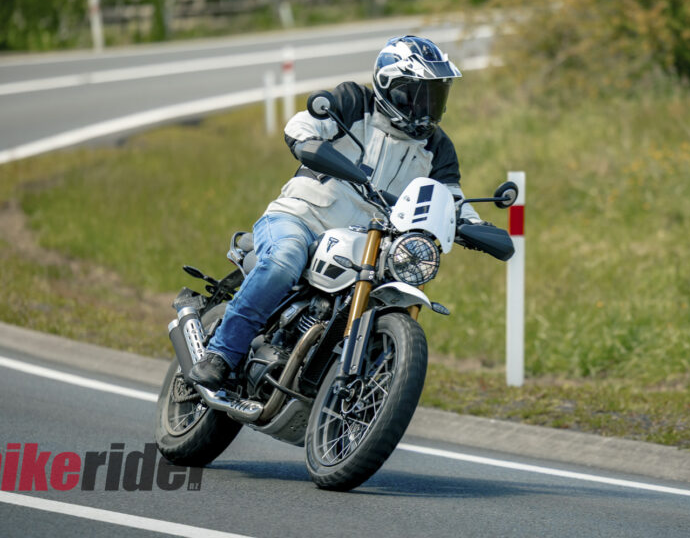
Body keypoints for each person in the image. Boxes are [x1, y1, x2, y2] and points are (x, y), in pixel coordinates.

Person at [190, 35, 482, 389]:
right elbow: (302, 126)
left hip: (368, 246)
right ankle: (221, 353)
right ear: (390, 87)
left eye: (435, 95)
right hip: (301, 218)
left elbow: (452, 198)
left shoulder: (437, 147)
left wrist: (476, 227)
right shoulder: (352, 102)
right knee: (284, 260)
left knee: (384, 297)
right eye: (418, 93)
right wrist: (309, 145)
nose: (427, 106)